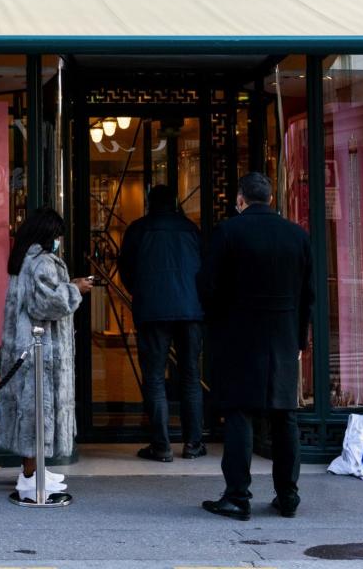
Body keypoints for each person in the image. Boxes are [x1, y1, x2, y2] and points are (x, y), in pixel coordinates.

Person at [199, 173, 313, 521]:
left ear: (240, 198)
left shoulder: (229, 232)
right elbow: (308, 293)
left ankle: (237, 496)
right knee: (285, 417)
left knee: (238, 415)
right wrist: (299, 338)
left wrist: (216, 324)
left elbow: (207, 285)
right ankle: (288, 494)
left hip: (238, 335)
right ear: (271, 199)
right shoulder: (297, 235)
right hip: (282, 335)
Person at [0, 207, 92, 502]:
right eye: (58, 234)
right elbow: (44, 304)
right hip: (39, 353)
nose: (60, 239)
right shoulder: (42, 262)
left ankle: (36, 472)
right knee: (36, 413)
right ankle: (30, 479)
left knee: (32, 412)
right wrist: (75, 289)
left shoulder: (25, 259)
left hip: (26, 348)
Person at [117, 184, 206, 463]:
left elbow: (126, 270)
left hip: (153, 309)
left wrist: (141, 293)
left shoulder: (138, 229)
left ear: (149, 203)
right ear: (176, 202)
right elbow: (205, 269)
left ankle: (161, 445)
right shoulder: (191, 229)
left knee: (154, 378)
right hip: (191, 311)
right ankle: (193, 443)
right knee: (191, 377)